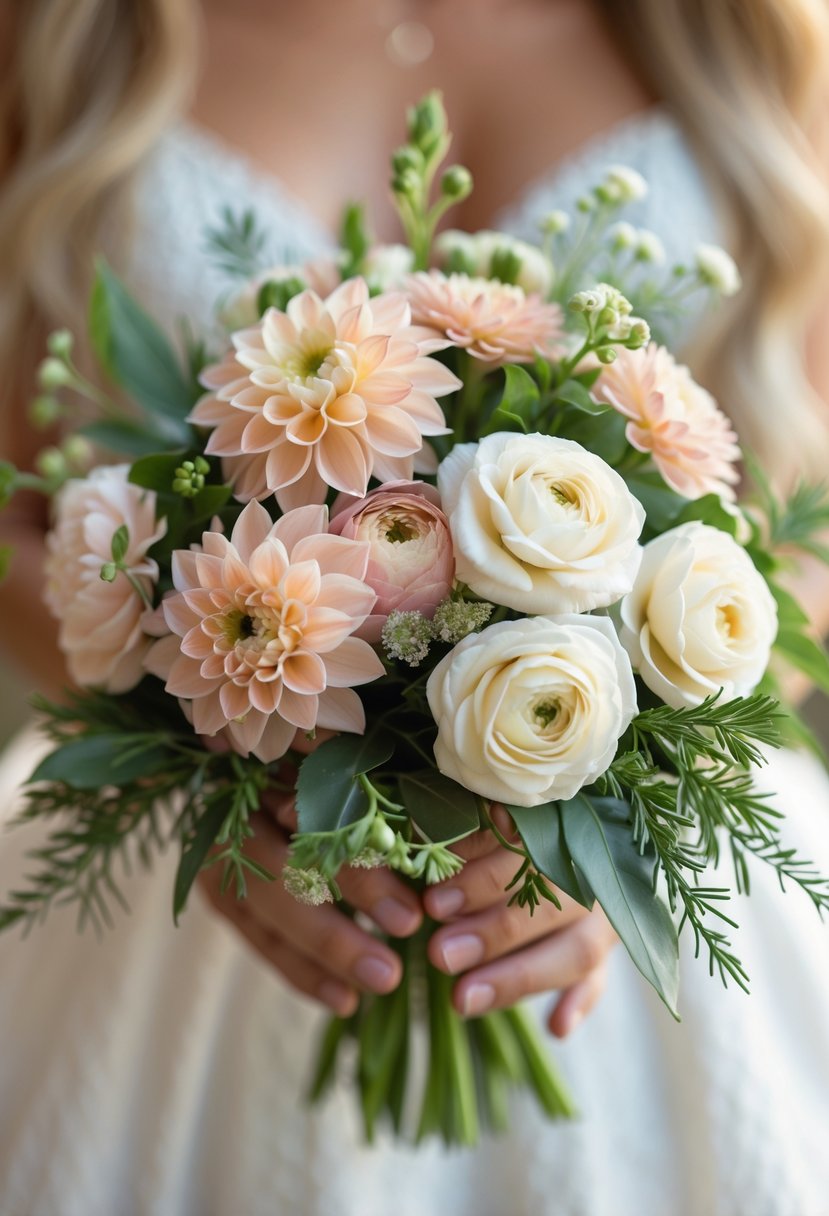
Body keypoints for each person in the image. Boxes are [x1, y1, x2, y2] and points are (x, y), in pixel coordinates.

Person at [0, 2, 828, 1213]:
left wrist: (617, 804)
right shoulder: (72, 32)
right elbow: (17, 519)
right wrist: (194, 770)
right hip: (189, 914)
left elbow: (809, 530)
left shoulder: (740, 33)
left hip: (654, 932)